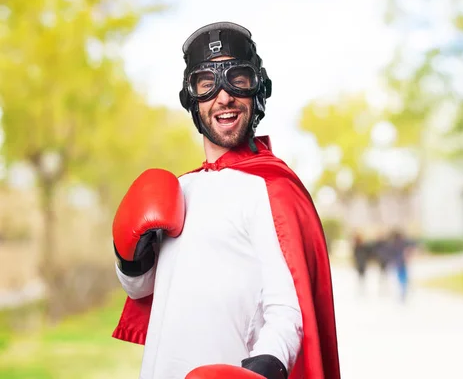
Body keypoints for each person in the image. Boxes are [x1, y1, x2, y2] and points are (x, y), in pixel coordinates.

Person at [110, 22, 340, 379]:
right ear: (192, 99)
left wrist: (265, 367)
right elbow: (140, 289)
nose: (223, 96)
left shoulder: (271, 190)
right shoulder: (179, 190)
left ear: (258, 90)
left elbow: (288, 311)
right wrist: (129, 255)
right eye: (207, 84)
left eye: (238, 79)